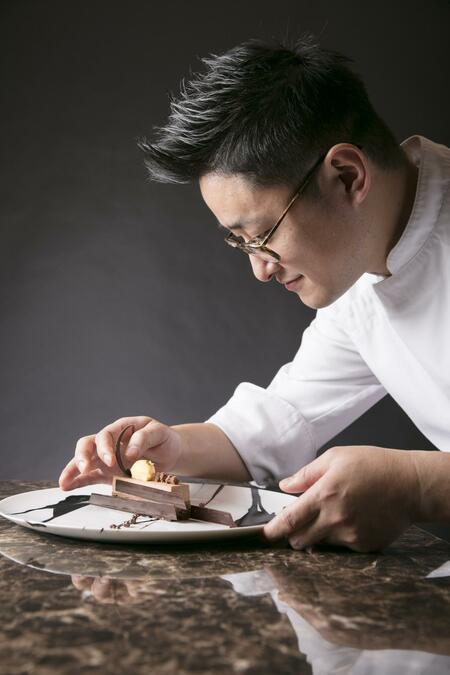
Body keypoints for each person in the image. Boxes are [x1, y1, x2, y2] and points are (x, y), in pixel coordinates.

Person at [58, 36, 450, 552]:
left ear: (347, 176)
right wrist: (171, 447)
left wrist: (418, 484)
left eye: (262, 235)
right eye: (239, 242)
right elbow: (281, 421)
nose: (260, 270)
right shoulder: (362, 270)